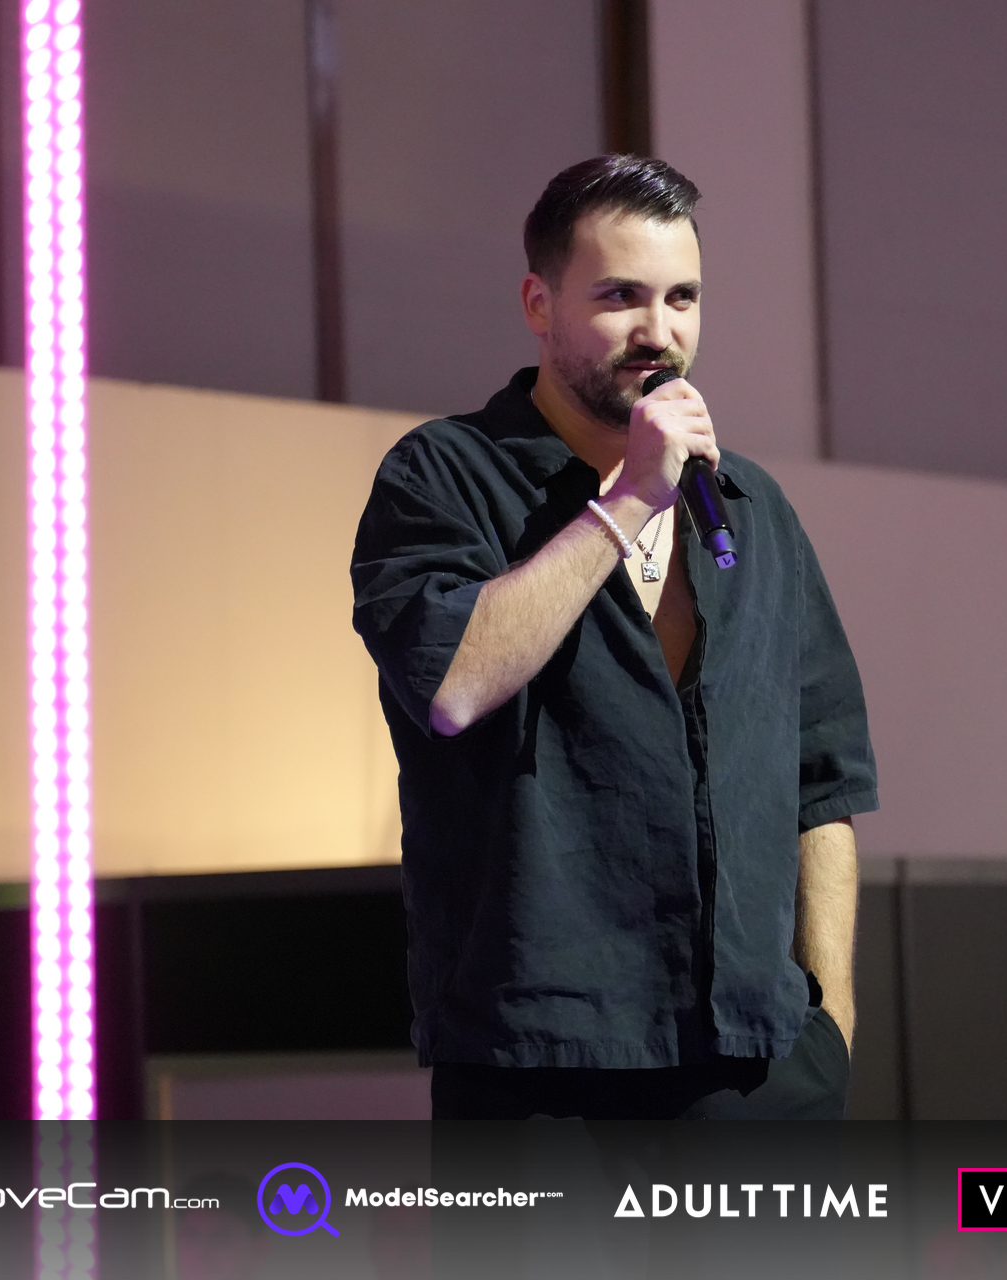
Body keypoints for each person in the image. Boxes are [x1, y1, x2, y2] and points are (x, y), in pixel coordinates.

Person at [349, 154, 877, 1120]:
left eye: (683, 299)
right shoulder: (443, 475)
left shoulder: (753, 509)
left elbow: (823, 780)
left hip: (755, 1059)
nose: (659, 333)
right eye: (620, 296)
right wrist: (630, 498)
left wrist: (830, 1018)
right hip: (541, 1064)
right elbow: (453, 685)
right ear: (539, 303)